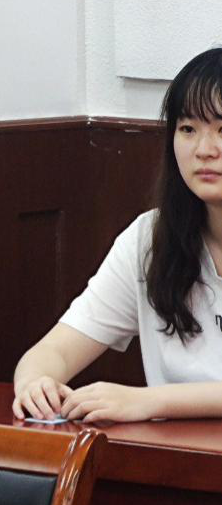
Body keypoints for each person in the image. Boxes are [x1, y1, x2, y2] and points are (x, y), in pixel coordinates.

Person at [13, 48, 222, 423]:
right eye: (188, 129)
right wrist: (35, 383)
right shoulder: (150, 239)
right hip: (171, 455)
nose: (205, 150)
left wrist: (150, 402)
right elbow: (56, 350)